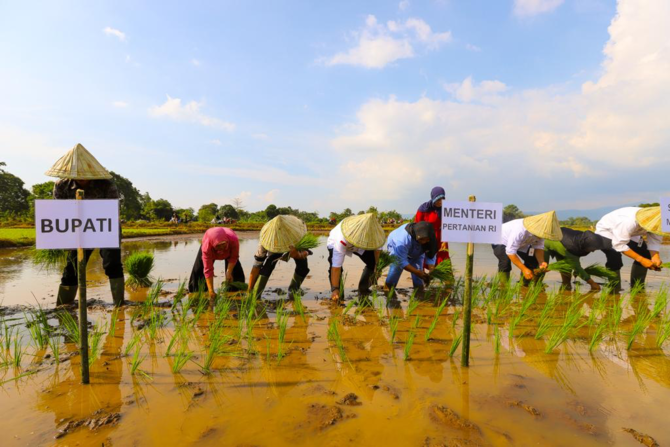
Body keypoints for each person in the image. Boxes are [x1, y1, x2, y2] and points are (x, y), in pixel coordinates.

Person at [45, 143, 125, 307]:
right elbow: (59, 211)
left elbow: (111, 210)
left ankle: (120, 306)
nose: (81, 177)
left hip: (104, 226)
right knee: (71, 269)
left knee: (112, 264)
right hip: (78, 229)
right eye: (77, 174)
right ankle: (63, 307)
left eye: (84, 174)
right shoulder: (62, 185)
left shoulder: (106, 184)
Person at [595, 206, 666, 289]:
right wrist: (641, 260)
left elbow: (654, 240)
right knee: (614, 256)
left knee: (645, 253)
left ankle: (637, 286)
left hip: (631, 234)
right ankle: (614, 287)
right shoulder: (627, 221)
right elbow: (619, 245)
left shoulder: (658, 222)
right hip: (607, 232)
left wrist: (655, 256)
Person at [247, 215, 312, 299]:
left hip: (294, 244)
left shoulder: (298, 231)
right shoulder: (266, 237)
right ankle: (256, 293)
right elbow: (257, 265)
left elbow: (306, 251)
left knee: (303, 265)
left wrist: (299, 255)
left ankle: (293, 290)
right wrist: (250, 290)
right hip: (276, 244)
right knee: (269, 263)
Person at [492, 211, 562, 285]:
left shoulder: (543, 232)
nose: (542, 236)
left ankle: (524, 285)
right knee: (505, 262)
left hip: (522, 243)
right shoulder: (520, 231)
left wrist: (541, 262)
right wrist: (524, 269)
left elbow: (538, 247)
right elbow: (510, 252)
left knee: (532, 260)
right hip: (500, 239)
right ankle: (504, 286)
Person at [327, 213, 385, 301]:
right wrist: (335, 289)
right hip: (341, 241)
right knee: (337, 269)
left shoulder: (376, 235)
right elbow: (336, 267)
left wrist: (377, 269)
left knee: (372, 263)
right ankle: (337, 293)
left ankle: (363, 289)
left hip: (362, 244)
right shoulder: (340, 239)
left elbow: (377, 252)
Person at [543, 227, 608, 291]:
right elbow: (577, 267)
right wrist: (592, 283)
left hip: (562, 244)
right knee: (543, 267)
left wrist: (577, 271)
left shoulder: (583, 241)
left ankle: (566, 286)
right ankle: (536, 285)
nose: (593, 251)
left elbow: (576, 258)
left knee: (566, 268)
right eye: (593, 248)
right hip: (548, 242)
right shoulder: (572, 246)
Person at [188, 227, 245, 298]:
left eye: (223, 244)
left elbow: (234, 257)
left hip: (229, 246)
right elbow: (208, 269)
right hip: (210, 248)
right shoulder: (207, 247)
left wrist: (229, 272)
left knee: (235, 272)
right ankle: (197, 291)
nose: (222, 248)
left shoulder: (233, 240)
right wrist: (211, 290)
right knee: (199, 270)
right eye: (218, 246)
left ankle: (234, 290)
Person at [385, 222, 437, 290]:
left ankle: (419, 292)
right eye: (421, 239)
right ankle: (387, 290)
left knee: (419, 275)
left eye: (426, 240)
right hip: (395, 246)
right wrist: (415, 272)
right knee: (396, 269)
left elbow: (431, 254)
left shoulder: (431, 238)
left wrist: (431, 270)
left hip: (417, 251)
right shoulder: (403, 240)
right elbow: (401, 261)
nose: (424, 242)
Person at [415, 187, 450, 267]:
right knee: (423, 256)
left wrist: (445, 240)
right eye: (438, 200)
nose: (440, 202)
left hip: (441, 238)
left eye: (442, 199)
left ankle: (444, 277)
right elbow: (417, 225)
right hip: (426, 237)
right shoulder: (423, 209)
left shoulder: (446, 209)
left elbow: (448, 226)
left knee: (442, 257)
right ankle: (423, 275)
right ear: (433, 198)